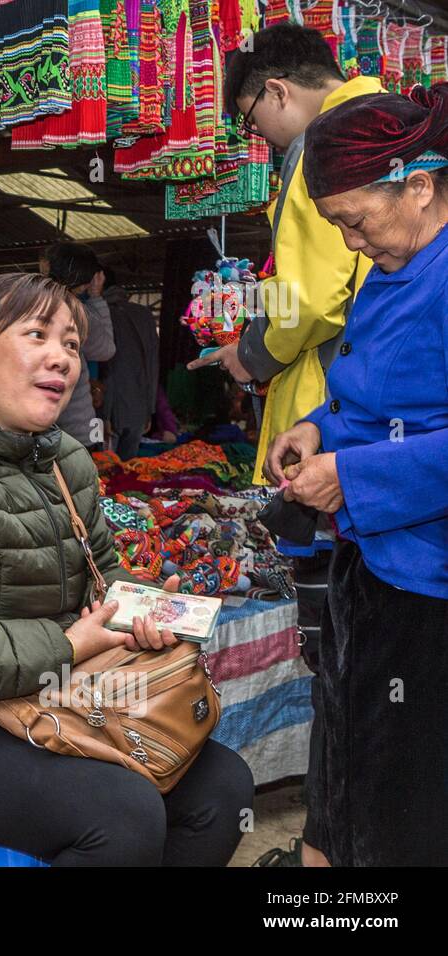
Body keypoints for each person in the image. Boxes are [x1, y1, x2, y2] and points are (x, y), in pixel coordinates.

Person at [0, 273, 254, 866]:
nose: (61, 358)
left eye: (69, 342)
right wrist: (69, 643)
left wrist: (138, 605)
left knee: (222, 786)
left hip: (52, 699)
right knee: (123, 814)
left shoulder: (63, 458)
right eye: (36, 334)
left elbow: (103, 571)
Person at [198, 23, 380, 867]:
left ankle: (327, 845)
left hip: (328, 419)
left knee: (336, 650)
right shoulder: (387, 124)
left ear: (275, 91)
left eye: (249, 119)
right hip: (364, 414)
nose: (255, 140)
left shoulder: (325, 145)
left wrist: (247, 353)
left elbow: (307, 298)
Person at [264, 82, 448, 867]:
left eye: (354, 222)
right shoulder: (386, 274)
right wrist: (316, 429)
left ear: (418, 186)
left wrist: (357, 476)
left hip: (429, 592)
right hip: (370, 572)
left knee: (403, 806)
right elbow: (368, 398)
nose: (350, 245)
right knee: (342, 777)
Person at [39, 242, 115, 448]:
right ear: (86, 281)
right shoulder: (79, 312)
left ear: (45, 266)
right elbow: (106, 350)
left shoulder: (21, 303)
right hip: (72, 430)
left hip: (27, 426)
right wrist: (96, 297)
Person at [100, 268, 158, 460]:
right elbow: (152, 365)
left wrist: (104, 414)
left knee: (103, 470)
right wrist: (149, 409)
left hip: (111, 407)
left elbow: (107, 368)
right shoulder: (145, 316)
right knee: (128, 474)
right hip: (139, 408)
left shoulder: (102, 315)